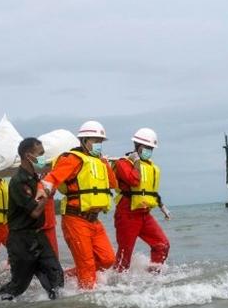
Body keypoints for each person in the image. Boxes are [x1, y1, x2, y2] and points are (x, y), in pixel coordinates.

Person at [0, 138, 64, 300]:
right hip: (21, 240)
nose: (43, 158)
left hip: (38, 236)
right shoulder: (18, 182)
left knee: (57, 278)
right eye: (40, 154)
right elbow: (34, 212)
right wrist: (47, 195)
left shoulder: (36, 178)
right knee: (18, 287)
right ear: (28, 156)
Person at [42, 121, 117, 290]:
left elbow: (112, 183)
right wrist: (42, 189)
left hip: (94, 221)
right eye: (95, 141)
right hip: (75, 219)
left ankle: (69, 275)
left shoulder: (98, 161)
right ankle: (87, 304)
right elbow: (53, 177)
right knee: (87, 266)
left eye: (100, 142)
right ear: (83, 140)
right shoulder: (73, 159)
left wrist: (105, 164)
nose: (98, 145)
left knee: (108, 259)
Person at [112, 128, 171, 271]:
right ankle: (115, 285)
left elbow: (150, 191)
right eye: (146, 147)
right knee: (125, 256)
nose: (149, 151)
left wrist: (162, 207)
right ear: (137, 146)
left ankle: (153, 278)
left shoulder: (151, 167)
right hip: (127, 214)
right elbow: (134, 180)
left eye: (151, 148)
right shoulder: (123, 163)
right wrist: (136, 161)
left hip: (144, 214)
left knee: (162, 244)